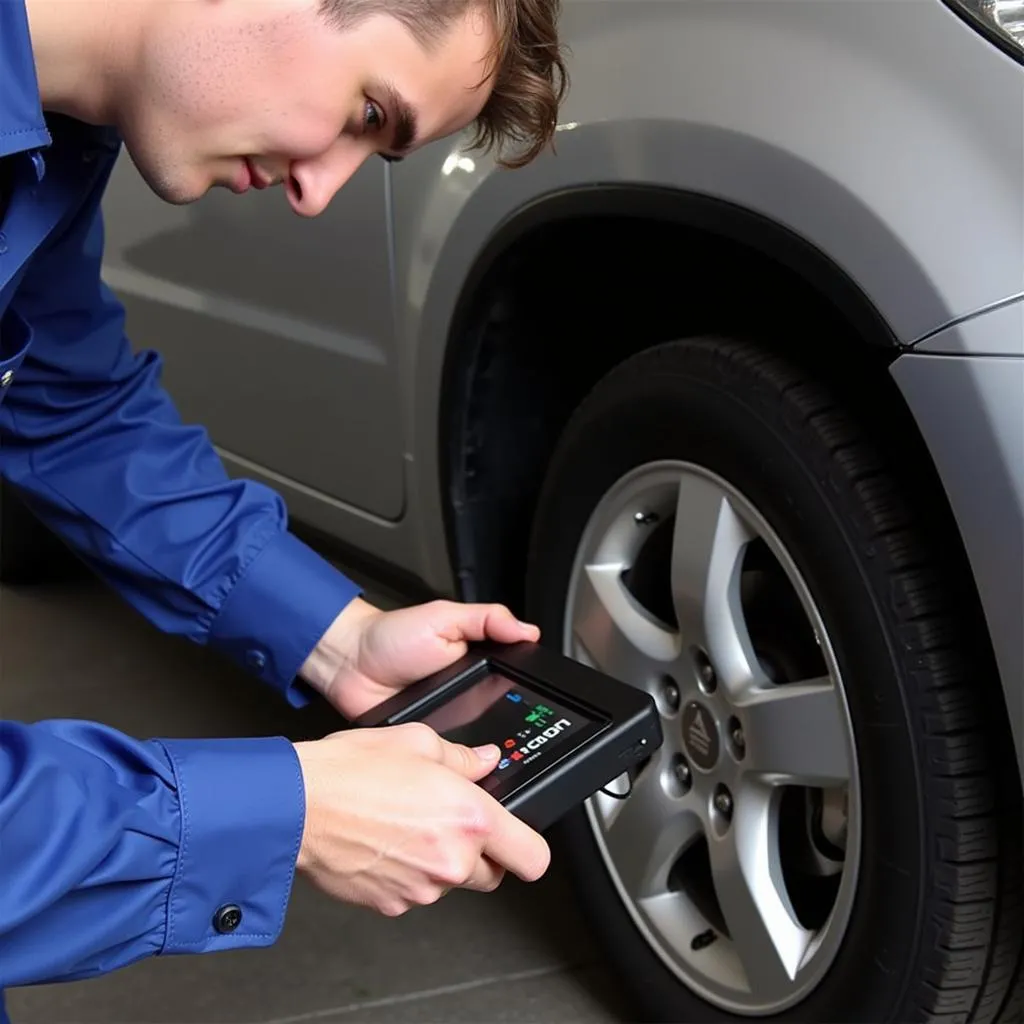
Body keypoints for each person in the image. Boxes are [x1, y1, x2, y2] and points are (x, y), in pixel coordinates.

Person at [0, 0, 567, 1015]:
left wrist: (340, 639)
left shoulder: (49, 145)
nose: (317, 192)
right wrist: (287, 813)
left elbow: (70, 406)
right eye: (364, 111)